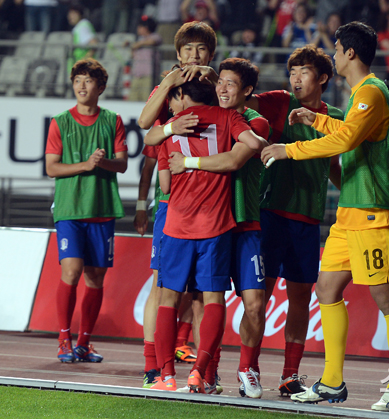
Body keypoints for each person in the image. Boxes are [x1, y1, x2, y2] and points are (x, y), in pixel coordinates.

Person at [261, 22, 389, 413]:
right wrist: (316, 121)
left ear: (349, 54)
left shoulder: (372, 92)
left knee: (388, 298)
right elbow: (348, 130)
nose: (332, 54)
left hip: (375, 213)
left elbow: (346, 140)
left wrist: (287, 150)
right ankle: (331, 382)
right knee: (326, 290)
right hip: (349, 212)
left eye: (335, 49)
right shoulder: (362, 94)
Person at [148, 78, 267, 392]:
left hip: (177, 226)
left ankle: (167, 376)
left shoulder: (171, 125)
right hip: (216, 226)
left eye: (173, 98)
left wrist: (175, 142)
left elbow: (164, 185)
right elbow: (254, 144)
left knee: (168, 299)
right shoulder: (228, 118)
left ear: (183, 96)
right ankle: (200, 373)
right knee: (213, 299)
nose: (170, 105)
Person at [245, 44, 343, 397]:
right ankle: (249, 369)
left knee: (301, 295)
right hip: (271, 213)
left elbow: (333, 165)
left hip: (308, 219)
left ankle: (290, 374)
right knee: (261, 294)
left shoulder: (336, 117)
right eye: (292, 72)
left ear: (323, 79)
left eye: (303, 72)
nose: (296, 79)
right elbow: (245, 100)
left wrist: (352, 194)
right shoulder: (280, 102)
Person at [134, 21, 218, 389]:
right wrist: (168, 83)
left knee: (203, 293)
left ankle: (205, 371)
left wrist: (216, 80)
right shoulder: (167, 88)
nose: (194, 56)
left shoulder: (215, 86)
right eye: (188, 49)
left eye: (201, 49)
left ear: (210, 54)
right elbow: (144, 124)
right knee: (163, 284)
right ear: (178, 53)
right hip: (172, 200)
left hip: (214, 200)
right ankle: (154, 365)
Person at [45, 58, 127, 364]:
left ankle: (84, 342)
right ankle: (64, 337)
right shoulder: (60, 121)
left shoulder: (112, 120)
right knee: (72, 270)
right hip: (69, 208)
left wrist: (103, 163)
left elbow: (122, 163)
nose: (82, 85)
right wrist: (86, 164)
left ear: (101, 87)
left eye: (88, 81)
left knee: (95, 278)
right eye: (77, 80)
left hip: (102, 208)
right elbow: (51, 167)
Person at [127, 15, 162, 102]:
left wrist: (138, 44)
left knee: (146, 100)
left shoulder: (155, 36)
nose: (138, 28)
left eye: (140, 26)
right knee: (133, 99)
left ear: (146, 28)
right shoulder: (139, 39)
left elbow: (152, 41)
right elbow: (132, 55)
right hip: (137, 74)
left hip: (149, 75)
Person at [67, 3, 98, 70]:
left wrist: (84, 62)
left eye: (73, 14)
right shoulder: (79, 26)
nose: (70, 17)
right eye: (69, 14)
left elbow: (94, 44)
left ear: (80, 14)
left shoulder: (83, 26)